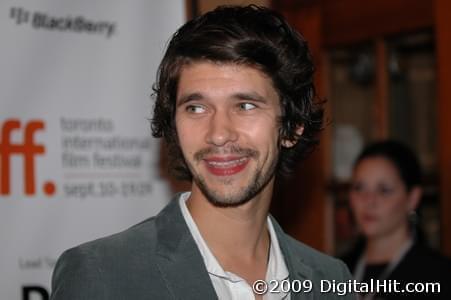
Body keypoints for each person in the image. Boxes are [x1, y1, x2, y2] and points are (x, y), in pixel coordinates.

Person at [50, 5, 355, 300]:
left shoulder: (330, 279)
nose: (218, 133)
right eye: (196, 108)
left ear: (292, 128)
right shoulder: (103, 275)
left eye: (245, 106)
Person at [342, 140, 451, 299]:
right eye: (359, 188)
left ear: (412, 198)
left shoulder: (440, 276)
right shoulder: (333, 270)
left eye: (384, 190)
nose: (369, 201)